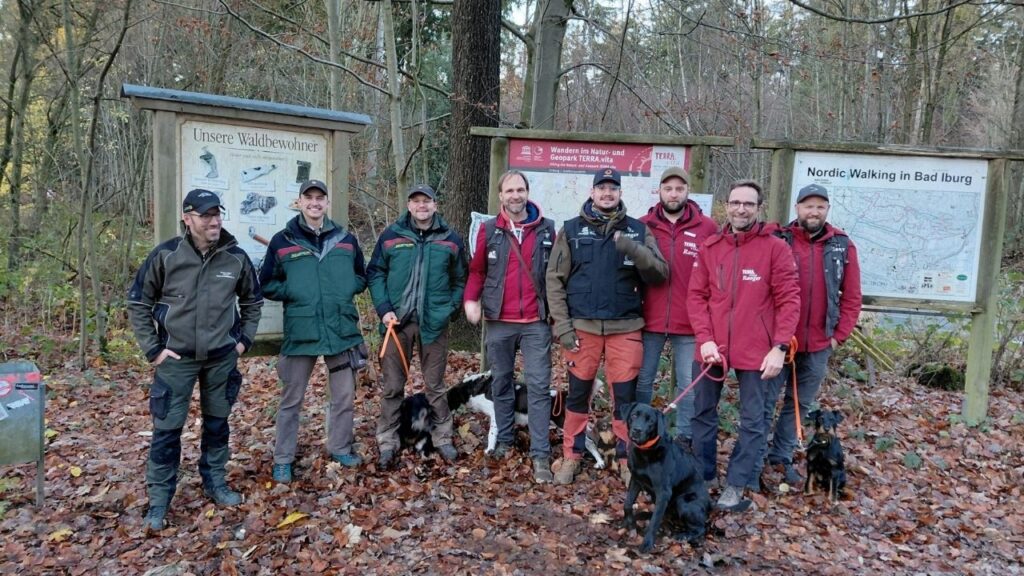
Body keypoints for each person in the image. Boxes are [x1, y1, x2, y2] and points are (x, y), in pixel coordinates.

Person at [128, 188, 263, 533]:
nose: (214, 221)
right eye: (206, 215)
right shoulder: (166, 255)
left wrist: (243, 342)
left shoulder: (235, 258)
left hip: (221, 359)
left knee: (218, 425)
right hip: (176, 360)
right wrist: (154, 349)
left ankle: (215, 482)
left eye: (217, 214)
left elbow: (252, 302)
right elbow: (139, 303)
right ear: (187, 219)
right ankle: (159, 501)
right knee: (167, 431)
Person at [546, 167, 668, 485]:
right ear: (592, 192)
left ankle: (627, 459)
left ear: (620, 193)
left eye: (613, 188)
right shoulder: (571, 230)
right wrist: (563, 326)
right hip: (581, 329)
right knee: (577, 396)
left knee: (625, 400)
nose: (607, 193)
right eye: (602, 188)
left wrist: (633, 249)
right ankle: (571, 456)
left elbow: (659, 274)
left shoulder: (638, 231)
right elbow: (554, 280)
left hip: (625, 328)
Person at [686, 179, 799, 511]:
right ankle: (703, 476)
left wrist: (779, 347)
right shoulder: (710, 247)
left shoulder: (775, 248)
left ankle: (736, 483)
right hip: (713, 347)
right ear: (727, 206)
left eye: (748, 204)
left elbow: (789, 300)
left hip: (758, 349)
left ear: (759, 208)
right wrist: (705, 339)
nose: (741, 209)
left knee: (753, 420)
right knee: (702, 413)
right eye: (736, 203)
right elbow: (696, 297)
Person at [258, 179, 369, 484]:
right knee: (292, 400)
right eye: (309, 197)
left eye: (320, 197)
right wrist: (295, 292)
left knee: (344, 396)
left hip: (340, 328)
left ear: (327, 203)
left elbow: (361, 276)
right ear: (300, 202)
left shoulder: (346, 239)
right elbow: (267, 283)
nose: (315, 202)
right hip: (301, 328)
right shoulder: (283, 240)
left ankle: (340, 447)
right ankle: (283, 459)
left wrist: (344, 290)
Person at [760, 183, 862, 486]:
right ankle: (754, 459)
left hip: (818, 344)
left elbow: (852, 297)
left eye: (820, 206)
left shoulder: (842, 245)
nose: (814, 212)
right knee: (764, 402)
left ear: (827, 209)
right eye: (808, 206)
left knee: (798, 404)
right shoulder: (779, 239)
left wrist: (837, 337)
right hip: (776, 343)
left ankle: (780, 458)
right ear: (797, 208)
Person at [464, 170, 556, 483]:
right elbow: (477, 271)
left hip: (535, 323)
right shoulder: (489, 230)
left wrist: (558, 316)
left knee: (539, 387)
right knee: (501, 383)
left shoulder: (547, 229)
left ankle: (541, 454)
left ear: (527, 193)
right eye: (509, 190)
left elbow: (557, 276)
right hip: (499, 321)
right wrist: (471, 300)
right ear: (501, 195)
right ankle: (505, 440)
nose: (515, 195)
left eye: (520, 190)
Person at [368, 184, 467, 468]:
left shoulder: (450, 239)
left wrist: (449, 310)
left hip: (433, 324)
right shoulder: (391, 235)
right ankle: (388, 439)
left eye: (427, 201)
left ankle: (443, 437)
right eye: (416, 201)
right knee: (393, 387)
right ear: (409, 205)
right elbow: (375, 273)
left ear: (435, 204)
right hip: (396, 324)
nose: (422, 206)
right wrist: (384, 309)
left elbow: (461, 280)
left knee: (435, 385)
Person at [636, 166, 718, 443]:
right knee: (643, 381)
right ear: (659, 191)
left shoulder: (707, 228)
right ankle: (641, 434)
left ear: (687, 191)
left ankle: (684, 438)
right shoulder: (643, 225)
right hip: (650, 318)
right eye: (668, 189)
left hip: (690, 322)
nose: (674, 194)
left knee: (688, 385)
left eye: (679, 189)